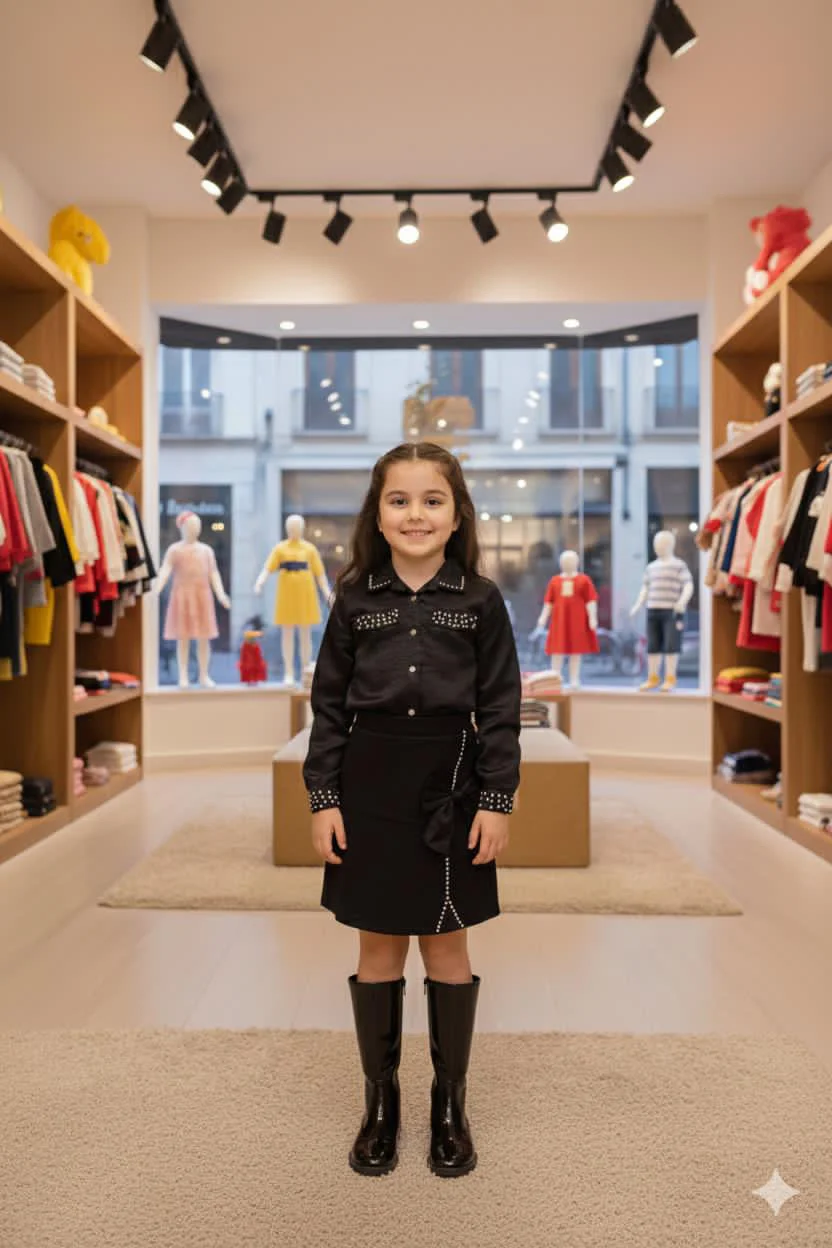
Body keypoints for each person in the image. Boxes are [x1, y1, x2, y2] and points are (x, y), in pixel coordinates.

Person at [303, 440, 521, 1179]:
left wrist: (496, 800)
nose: (416, 514)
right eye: (399, 500)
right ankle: (381, 1103)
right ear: (378, 513)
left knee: (449, 947)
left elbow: (501, 709)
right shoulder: (354, 599)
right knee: (377, 948)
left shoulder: (482, 601)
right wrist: (324, 798)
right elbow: (328, 707)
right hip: (370, 785)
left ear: (457, 515)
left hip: (453, 784)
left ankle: (451, 1105)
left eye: (433, 500)